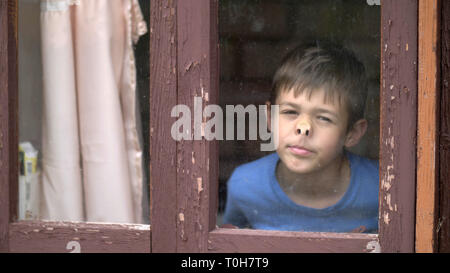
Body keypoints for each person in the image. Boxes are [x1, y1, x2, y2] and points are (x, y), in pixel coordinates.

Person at [222, 41, 379, 233]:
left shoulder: (382, 189)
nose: (303, 128)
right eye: (290, 112)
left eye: (323, 118)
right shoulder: (245, 185)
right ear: (270, 117)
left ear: (352, 133)